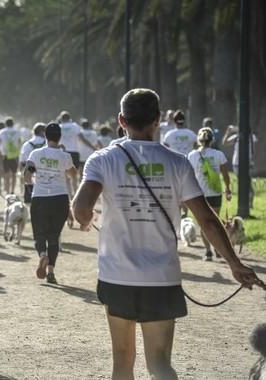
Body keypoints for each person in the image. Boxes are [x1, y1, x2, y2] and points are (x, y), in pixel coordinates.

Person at [72, 88, 261, 380]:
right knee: (159, 363)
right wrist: (234, 265)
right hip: (162, 277)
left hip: (117, 276)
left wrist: (86, 220)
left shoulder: (102, 160)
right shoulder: (177, 163)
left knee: (122, 362)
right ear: (157, 120)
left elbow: (81, 207)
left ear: (121, 120)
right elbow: (208, 221)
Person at [24, 123, 77, 284]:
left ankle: (42, 255)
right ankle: (51, 272)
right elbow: (73, 175)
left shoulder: (36, 153)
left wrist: (34, 178)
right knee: (54, 236)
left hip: (40, 197)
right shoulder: (64, 156)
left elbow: (27, 174)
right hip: (59, 198)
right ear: (59, 137)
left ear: (45, 136)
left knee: (39, 233)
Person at [187, 128, 232, 261]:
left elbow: (188, 175)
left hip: (199, 194)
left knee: (203, 223)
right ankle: (218, 249)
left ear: (199, 140)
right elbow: (225, 175)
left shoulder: (192, 155)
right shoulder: (219, 155)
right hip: (215, 193)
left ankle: (208, 251)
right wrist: (228, 189)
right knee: (216, 222)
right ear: (212, 140)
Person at [222, 124, 257, 209]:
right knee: (242, 183)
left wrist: (252, 161)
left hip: (247, 163)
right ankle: (244, 204)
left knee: (248, 183)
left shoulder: (251, 137)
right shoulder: (236, 137)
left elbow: (253, 149)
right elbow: (225, 142)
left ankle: (250, 204)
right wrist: (228, 132)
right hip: (237, 164)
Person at [20, 123, 46, 204]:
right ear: (42, 132)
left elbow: (22, 160)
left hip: (29, 175)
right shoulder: (47, 143)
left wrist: (21, 173)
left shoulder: (27, 144)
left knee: (29, 201)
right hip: (45, 175)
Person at [58, 111, 83, 195]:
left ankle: (69, 195)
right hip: (74, 152)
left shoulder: (59, 127)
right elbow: (81, 138)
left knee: (66, 177)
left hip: (63, 152)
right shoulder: (75, 126)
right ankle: (76, 193)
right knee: (74, 176)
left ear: (61, 119)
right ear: (69, 118)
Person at [0, 117, 22, 194]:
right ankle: (12, 191)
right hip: (15, 155)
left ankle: (7, 191)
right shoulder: (17, 131)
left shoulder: (2, 132)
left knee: (6, 174)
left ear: (5, 124)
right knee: (14, 174)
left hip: (5, 155)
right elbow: (19, 142)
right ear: (13, 124)